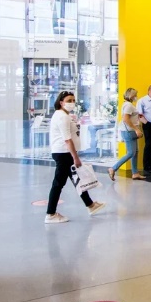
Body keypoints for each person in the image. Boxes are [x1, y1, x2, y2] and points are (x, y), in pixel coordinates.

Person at [45, 91, 105, 224]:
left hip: (65, 153)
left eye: (73, 100)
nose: (72, 103)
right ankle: (51, 213)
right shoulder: (62, 117)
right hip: (64, 153)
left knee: (77, 179)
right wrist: (75, 157)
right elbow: (67, 139)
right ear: (61, 102)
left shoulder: (64, 115)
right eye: (69, 100)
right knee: (58, 184)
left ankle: (90, 205)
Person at [109, 88, 146, 181]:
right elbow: (126, 119)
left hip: (130, 130)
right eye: (135, 95)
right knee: (131, 153)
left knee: (135, 152)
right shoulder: (128, 105)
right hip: (129, 131)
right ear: (131, 96)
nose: (136, 97)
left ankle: (135, 173)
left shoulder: (127, 104)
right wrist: (136, 129)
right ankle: (113, 168)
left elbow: (130, 117)